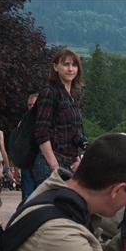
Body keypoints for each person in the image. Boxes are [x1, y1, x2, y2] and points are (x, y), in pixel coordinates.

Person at [33, 48, 86, 189]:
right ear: (55, 67)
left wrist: (76, 159)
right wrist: (53, 165)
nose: (70, 69)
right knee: (49, 209)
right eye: (66, 64)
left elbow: (73, 133)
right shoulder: (49, 92)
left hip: (68, 165)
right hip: (50, 164)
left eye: (74, 65)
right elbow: (41, 133)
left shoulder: (72, 98)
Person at [19, 93, 38, 207]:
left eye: (34, 105)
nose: (31, 107)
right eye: (29, 105)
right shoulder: (23, 123)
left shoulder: (47, 121)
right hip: (27, 164)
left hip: (42, 163)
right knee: (27, 196)